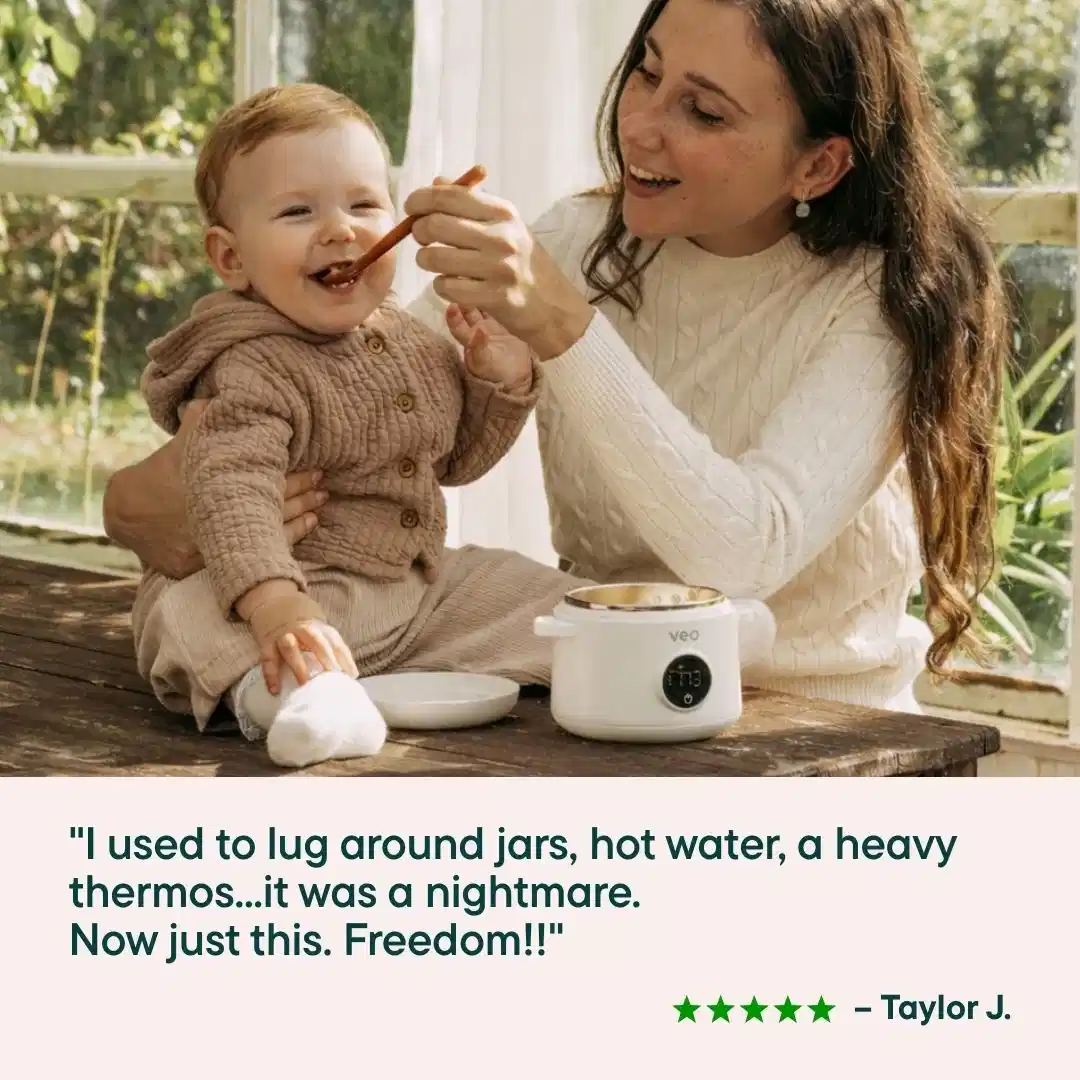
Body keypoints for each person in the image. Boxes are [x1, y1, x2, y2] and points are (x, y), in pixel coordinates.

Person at [105, 0, 1008, 721]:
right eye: (647, 71)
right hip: (599, 706)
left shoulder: (884, 302)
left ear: (818, 167)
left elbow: (744, 549)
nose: (641, 125)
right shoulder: (577, 239)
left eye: (703, 109)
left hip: (814, 732)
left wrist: (561, 327)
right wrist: (136, 504)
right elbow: (368, 396)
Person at [130, 82, 557, 769]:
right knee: (189, 617)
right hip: (284, 586)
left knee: (529, 594)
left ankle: (635, 635)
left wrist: (496, 382)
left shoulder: (411, 343)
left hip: (409, 593)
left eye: (364, 204)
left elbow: (452, 463)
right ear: (231, 257)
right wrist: (278, 609)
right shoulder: (251, 364)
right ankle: (306, 702)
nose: (341, 229)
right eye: (298, 211)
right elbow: (230, 493)